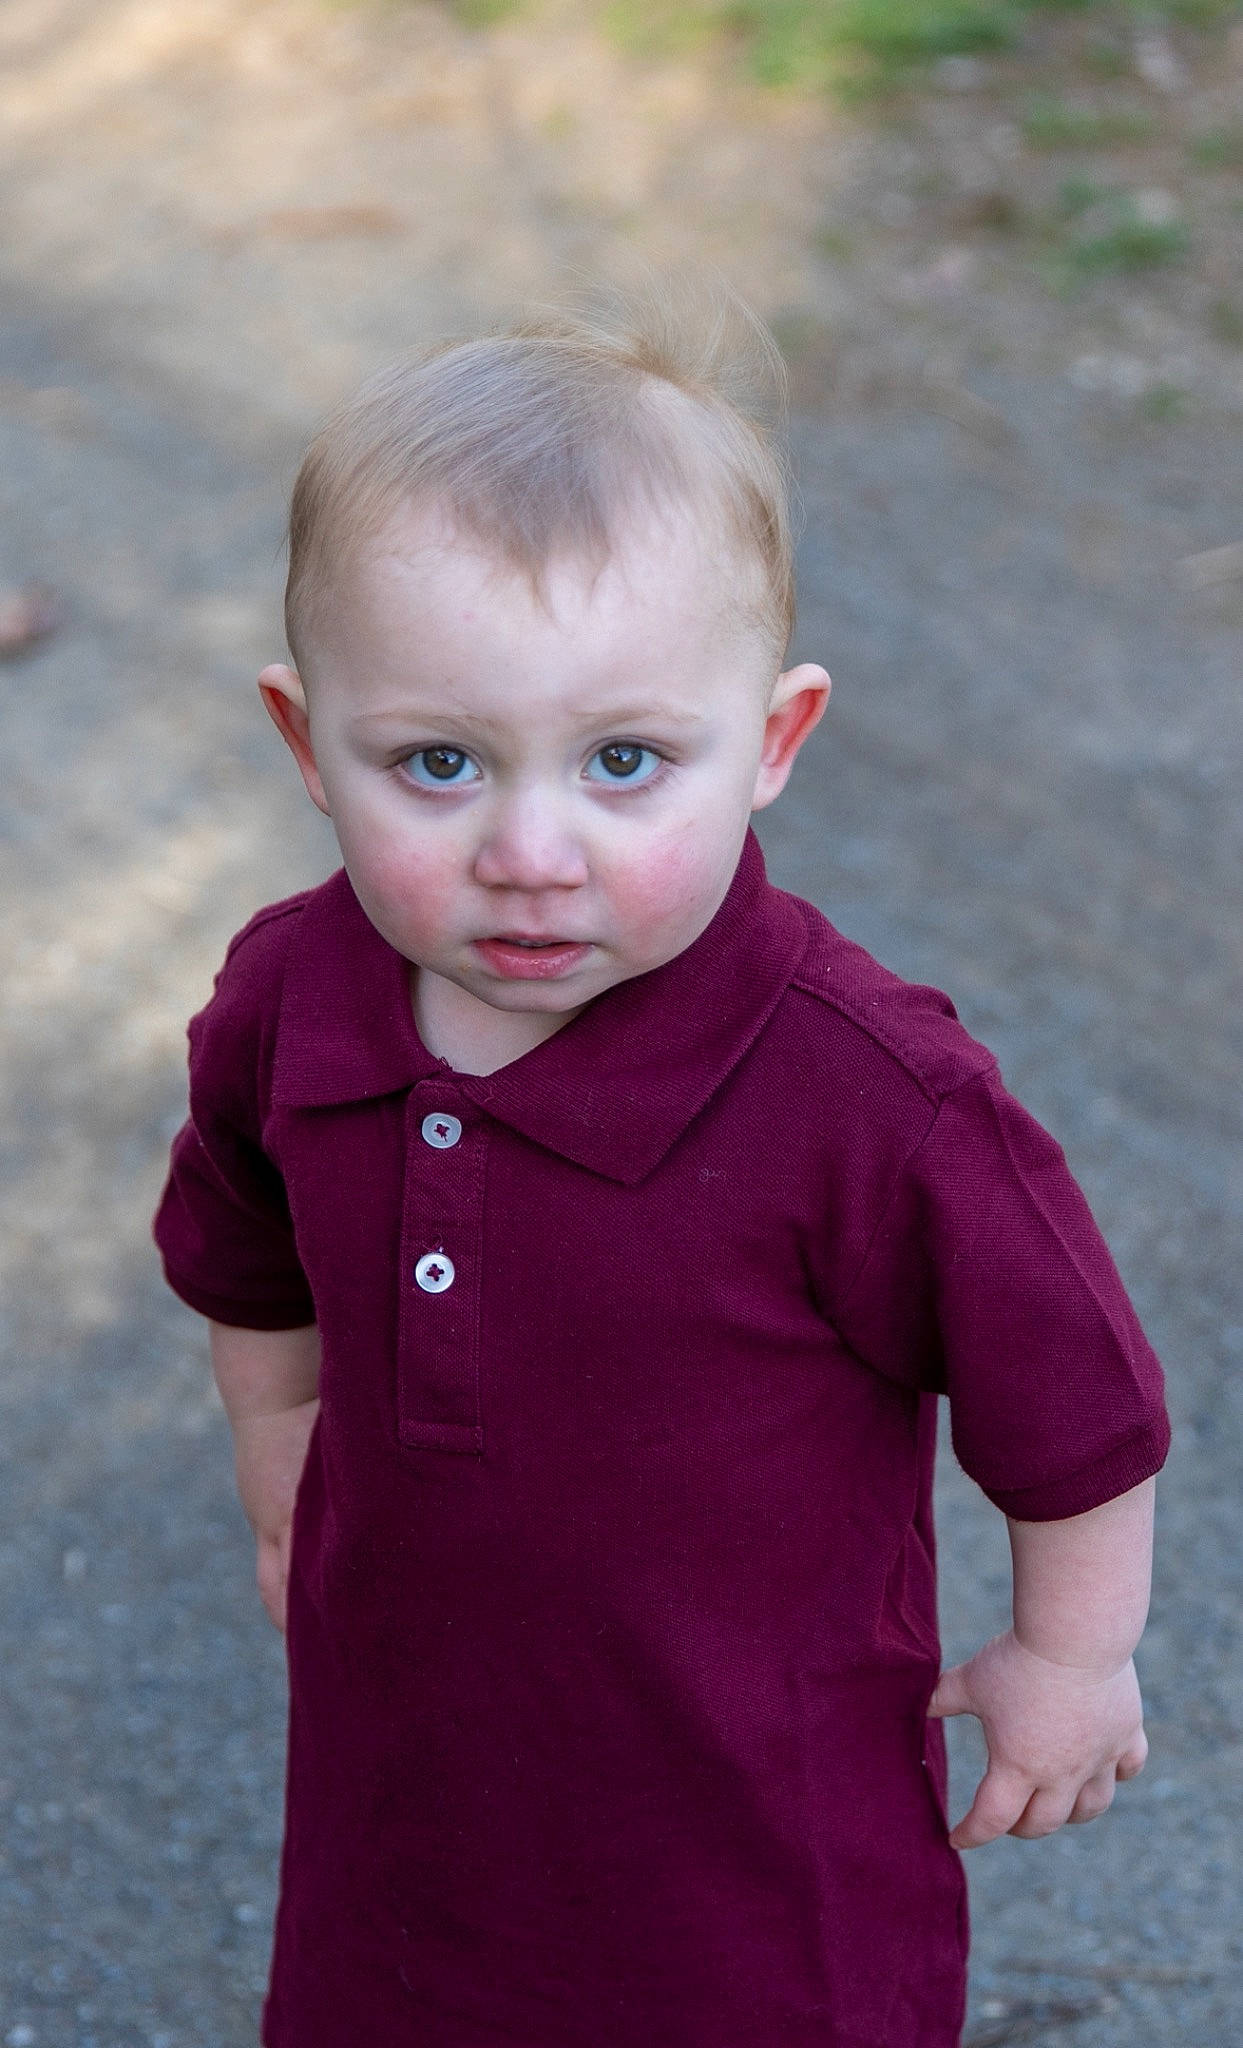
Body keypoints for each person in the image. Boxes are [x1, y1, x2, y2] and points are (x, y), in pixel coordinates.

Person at [153, 291, 1169, 2048]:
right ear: (307, 742)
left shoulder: (870, 1099)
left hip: (761, 1861)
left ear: (772, 743)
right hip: (412, 1815)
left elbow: (1073, 1396)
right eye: (439, 763)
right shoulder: (293, 1004)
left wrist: (1068, 1658)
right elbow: (245, 1251)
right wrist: (281, 1471)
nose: (529, 852)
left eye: (626, 763)